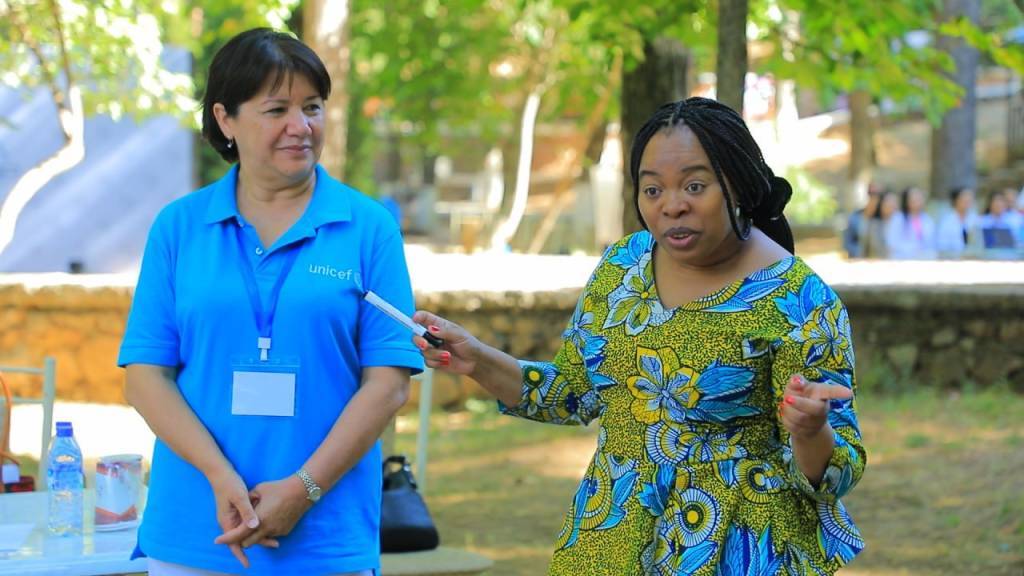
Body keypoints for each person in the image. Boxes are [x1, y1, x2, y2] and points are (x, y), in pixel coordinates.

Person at [413, 97, 865, 575]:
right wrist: (477, 360)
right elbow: (571, 393)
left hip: (733, 549)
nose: (672, 205)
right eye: (652, 190)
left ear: (736, 183)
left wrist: (811, 432)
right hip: (611, 538)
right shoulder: (623, 266)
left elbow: (838, 473)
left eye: (695, 186)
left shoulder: (799, 300)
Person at [118, 28, 422, 576]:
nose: (300, 126)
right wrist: (220, 475)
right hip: (195, 531)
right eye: (277, 109)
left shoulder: (368, 228)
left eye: (312, 107)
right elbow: (145, 376)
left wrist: (303, 490)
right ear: (225, 119)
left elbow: (388, 384)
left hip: (325, 537)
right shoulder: (178, 227)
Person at [886, 186, 937, 259]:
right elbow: (892, 243)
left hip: (924, 260)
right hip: (902, 259)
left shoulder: (928, 220)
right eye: (914, 198)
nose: (917, 201)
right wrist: (913, 249)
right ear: (907, 201)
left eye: (919, 198)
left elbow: (932, 244)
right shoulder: (898, 218)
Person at [934, 187, 981, 258]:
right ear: (956, 200)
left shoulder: (975, 219)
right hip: (952, 259)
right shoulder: (946, 221)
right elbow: (942, 246)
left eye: (970, 199)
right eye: (964, 199)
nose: (967, 202)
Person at [843, 182, 885, 258]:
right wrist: (860, 253)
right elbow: (847, 243)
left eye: (877, 196)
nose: (873, 200)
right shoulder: (854, 217)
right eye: (871, 195)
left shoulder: (883, 220)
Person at [859, 189, 897, 259]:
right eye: (888, 202)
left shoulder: (901, 223)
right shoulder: (873, 225)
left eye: (894, 202)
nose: (891, 205)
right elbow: (865, 246)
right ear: (881, 204)